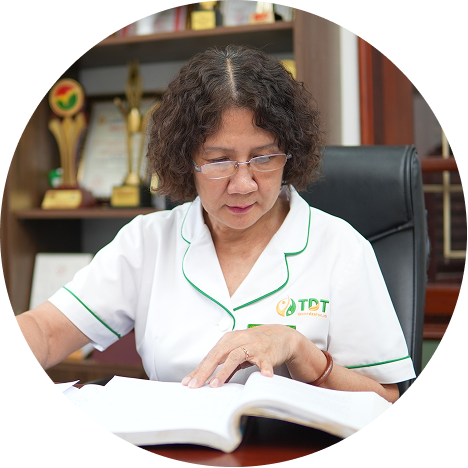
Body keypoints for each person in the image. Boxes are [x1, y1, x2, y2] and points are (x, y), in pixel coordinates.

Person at [16, 45, 415, 402]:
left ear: (290, 153)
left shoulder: (341, 248)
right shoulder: (147, 242)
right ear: (184, 160)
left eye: (263, 158)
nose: (243, 184)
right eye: (219, 160)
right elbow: (45, 331)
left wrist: (301, 351)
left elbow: (385, 398)